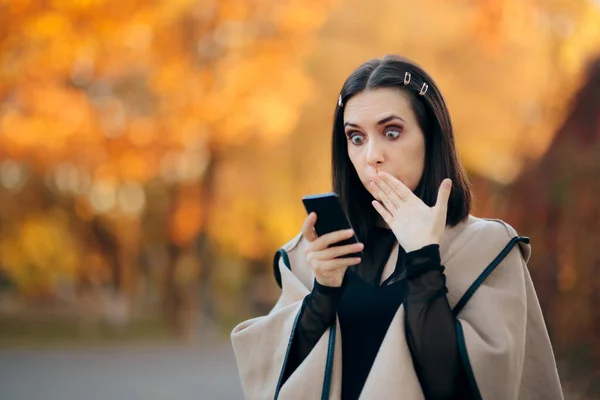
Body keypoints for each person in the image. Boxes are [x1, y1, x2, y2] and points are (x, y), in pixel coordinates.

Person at [231, 55, 563, 400]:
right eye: (356, 137)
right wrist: (324, 293)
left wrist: (423, 259)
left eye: (392, 132)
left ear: (431, 137)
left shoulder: (487, 248)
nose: (371, 155)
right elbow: (277, 380)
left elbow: (460, 384)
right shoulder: (312, 253)